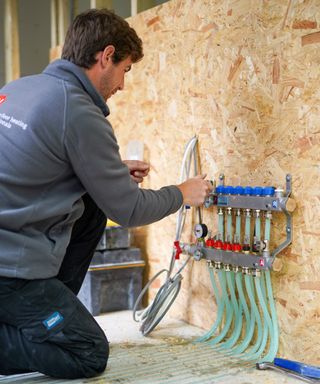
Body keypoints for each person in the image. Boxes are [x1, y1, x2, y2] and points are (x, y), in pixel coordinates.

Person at [0, 8, 211, 379]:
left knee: (93, 205)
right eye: (125, 70)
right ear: (106, 56)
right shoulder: (79, 112)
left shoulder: (17, 89)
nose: (122, 85)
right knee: (88, 351)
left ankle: (46, 313)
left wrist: (101, 174)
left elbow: (27, 163)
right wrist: (182, 192)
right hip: (10, 272)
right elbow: (128, 210)